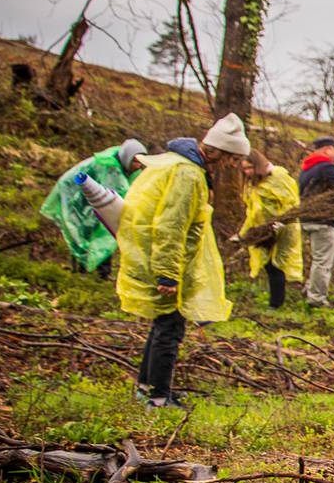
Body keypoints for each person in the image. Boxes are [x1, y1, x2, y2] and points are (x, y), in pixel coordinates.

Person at [113, 137, 233, 407]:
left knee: (163, 324)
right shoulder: (188, 175)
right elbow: (172, 225)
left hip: (171, 261)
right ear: (220, 155)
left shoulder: (184, 166)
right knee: (170, 329)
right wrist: (168, 273)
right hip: (169, 263)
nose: (232, 167)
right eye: (232, 160)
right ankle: (157, 398)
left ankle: (147, 388)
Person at [39, 139, 147, 276]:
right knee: (83, 230)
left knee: (103, 229)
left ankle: (99, 271)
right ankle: (82, 271)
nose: (138, 166)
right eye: (135, 161)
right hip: (73, 191)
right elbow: (121, 193)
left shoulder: (126, 167)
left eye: (140, 162)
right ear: (127, 157)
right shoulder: (110, 167)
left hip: (91, 194)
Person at [234, 148, 302, 310]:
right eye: (244, 169)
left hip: (283, 228)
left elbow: (291, 203)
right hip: (263, 229)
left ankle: (276, 304)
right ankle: (275, 302)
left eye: (250, 168)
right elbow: (252, 211)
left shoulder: (277, 177)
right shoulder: (251, 184)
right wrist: (243, 234)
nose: (248, 172)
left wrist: (281, 222)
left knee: (276, 264)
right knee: (267, 263)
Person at [296, 137, 334, 307]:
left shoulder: (307, 168)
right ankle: (316, 299)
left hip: (308, 217)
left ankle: (310, 287)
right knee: (323, 259)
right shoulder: (327, 167)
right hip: (323, 219)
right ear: (327, 149)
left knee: (332, 254)